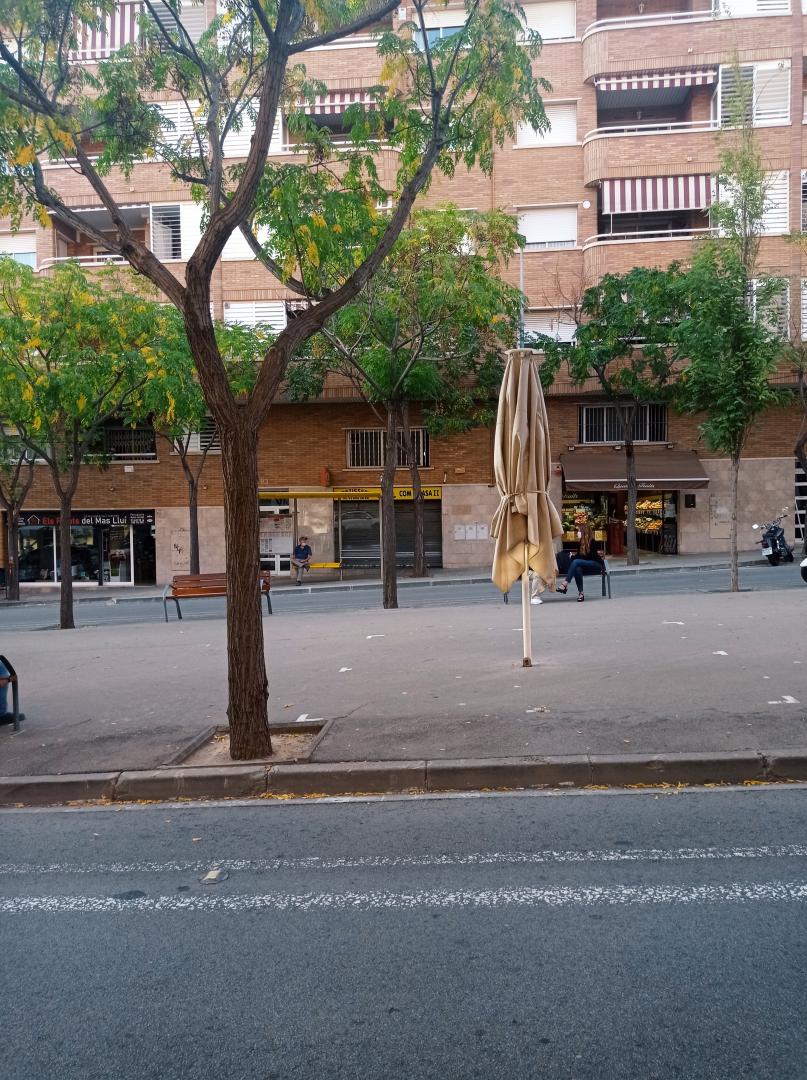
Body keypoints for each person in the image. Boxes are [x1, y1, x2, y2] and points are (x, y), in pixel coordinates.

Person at [556, 514, 604, 602]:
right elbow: (579, 557)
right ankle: (581, 593)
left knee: (577, 562)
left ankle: (565, 583)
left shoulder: (592, 541)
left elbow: (589, 557)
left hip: (596, 565)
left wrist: (575, 557)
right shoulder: (581, 543)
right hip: (586, 565)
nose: (577, 532)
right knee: (577, 569)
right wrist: (572, 556)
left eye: (579, 531)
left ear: (583, 532)